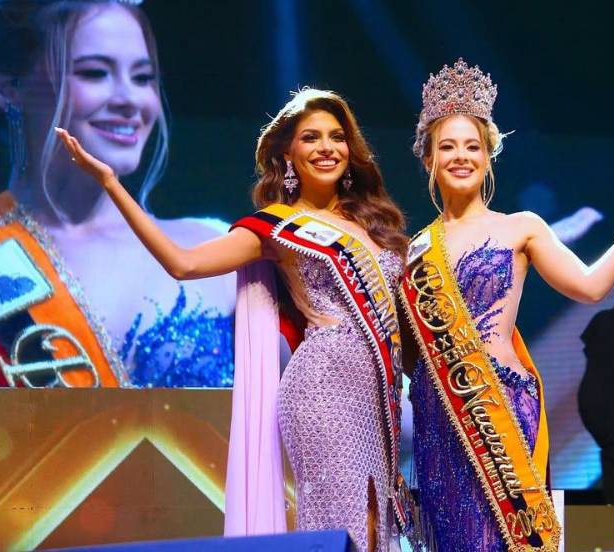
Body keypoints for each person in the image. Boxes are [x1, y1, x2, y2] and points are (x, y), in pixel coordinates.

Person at [56, 87, 412, 551]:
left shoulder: (373, 225)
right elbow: (183, 263)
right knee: (345, 523)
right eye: (311, 138)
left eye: (337, 136)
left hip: (378, 396)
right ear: (287, 154)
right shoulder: (276, 227)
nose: (327, 148)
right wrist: (110, 183)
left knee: (377, 526)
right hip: (323, 388)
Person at [400, 58, 614, 552]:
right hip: (439, 417)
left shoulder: (521, 226)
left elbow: (591, 286)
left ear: (488, 156)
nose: (461, 156)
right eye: (448, 146)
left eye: (472, 146)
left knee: (505, 540)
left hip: (501, 407)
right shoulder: (413, 250)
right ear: (429, 160)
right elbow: (407, 352)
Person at [0, 0, 235, 388]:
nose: (129, 100)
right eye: (96, 73)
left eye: (143, 78)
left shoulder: (218, 252)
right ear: (9, 88)